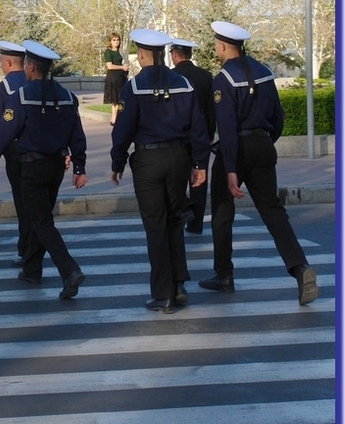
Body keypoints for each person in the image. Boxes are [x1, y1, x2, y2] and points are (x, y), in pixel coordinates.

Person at [199, 21, 319, 305]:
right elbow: (277, 117)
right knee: (273, 211)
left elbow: (226, 127)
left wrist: (230, 168)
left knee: (222, 211)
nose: (216, 49)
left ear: (225, 46)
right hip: (263, 145)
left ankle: (224, 274)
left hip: (236, 148)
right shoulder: (265, 72)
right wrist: (265, 142)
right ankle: (300, 267)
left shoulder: (224, 79)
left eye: (217, 44)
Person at [110, 29, 210, 313]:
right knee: (175, 221)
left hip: (148, 161)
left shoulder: (135, 85)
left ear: (142, 55)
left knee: (155, 225)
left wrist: (117, 162)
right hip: (179, 157)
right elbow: (199, 127)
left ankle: (162, 292)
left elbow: (124, 129)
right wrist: (200, 163)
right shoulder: (184, 84)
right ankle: (179, 285)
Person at [0, 39, 87, 300]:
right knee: (39, 217)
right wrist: (79, 166)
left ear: (30, 67)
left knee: (40, 221)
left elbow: (8, 130)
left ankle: (69, 269)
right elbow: (77, 134)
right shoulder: (67, 96)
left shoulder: (21, 96)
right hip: (56, 167)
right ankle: (32, 269)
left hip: (32, 166)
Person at [0, 40, 30, 267]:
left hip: (16, 152)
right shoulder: (37, 82)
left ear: (9, 62)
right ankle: (33, 248)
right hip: (42, 152)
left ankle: (26, 251)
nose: (1, 66)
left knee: (23, 203)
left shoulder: (5, 87)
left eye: (1, 62)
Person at [169, 38, 216, 234]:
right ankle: (196, 224)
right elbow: (210, 108)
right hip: (201, 135)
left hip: (178, 137)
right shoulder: (205, 76)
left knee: (176, 180)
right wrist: (210, 133)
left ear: (174, 55)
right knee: (199, 179)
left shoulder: (170, 76)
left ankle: (181, 213)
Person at [103, 32, 129, 125]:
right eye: (114, 40)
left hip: (120, 77)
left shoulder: (119, 51)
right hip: (113, 78)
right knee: (115, 100)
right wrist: (122, 67)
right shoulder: (108, 52)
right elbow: (109, 66)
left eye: (118, 40)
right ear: (110, 41)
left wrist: (124, 67)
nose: (116, 42)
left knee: (118, 100)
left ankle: (115, 117)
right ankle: (114, 118)